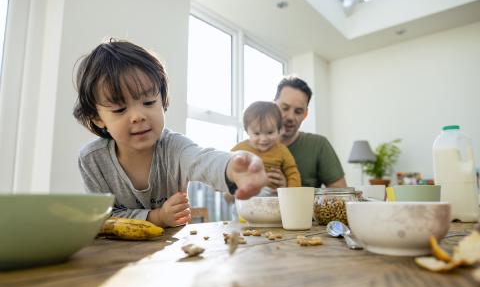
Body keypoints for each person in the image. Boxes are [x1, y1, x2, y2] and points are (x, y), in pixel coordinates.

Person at [73, 39, 267, 228]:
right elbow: (104, 217)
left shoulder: (174, 147)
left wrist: (232, 168)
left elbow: (202, 160)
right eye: (119, 110)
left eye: (149, 102)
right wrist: (157, 217)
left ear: (162, 100)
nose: (138, 116)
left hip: (171, 250)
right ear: (97, 118)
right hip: (116, 253)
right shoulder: (92, 159)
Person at [269, 76, 347, 189]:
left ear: (305, 115)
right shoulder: (251, 146)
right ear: (273, 106)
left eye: (298, 111)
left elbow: (341, 193)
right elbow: (233, 194)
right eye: (285, 108)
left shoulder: (319, 145)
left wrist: (288, 189)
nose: (290, 117)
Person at [231, 101, 301, 194]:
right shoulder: (239, 149)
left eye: (270, 132)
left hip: (273, 195)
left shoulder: (281, 150)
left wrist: (290, 193)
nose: (263, 139)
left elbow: (292, 172)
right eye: (256, 133)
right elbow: (227, 168)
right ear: (247, 131)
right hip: (247, 194)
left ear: (279, 130)